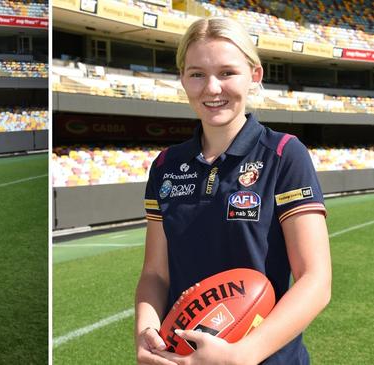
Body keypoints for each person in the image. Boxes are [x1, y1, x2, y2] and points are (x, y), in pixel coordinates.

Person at [135, 17, 331, 365]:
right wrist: (147, 331)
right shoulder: (165, 165)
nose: (211, 88)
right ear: (182, 78)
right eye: (197, 74)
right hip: (183, 357)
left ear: (254, 76)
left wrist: (242, 355)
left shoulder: (285, 154)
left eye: (227, 73)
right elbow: (155, 274)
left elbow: (316, 280)